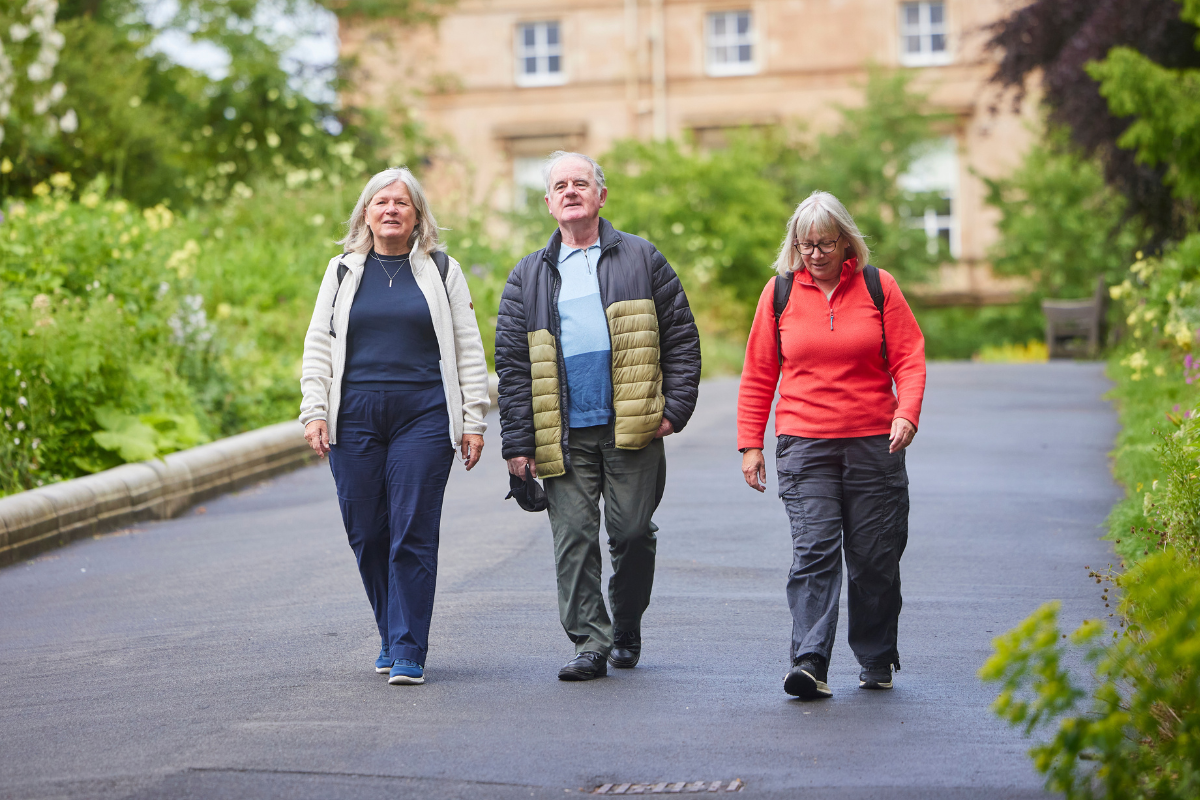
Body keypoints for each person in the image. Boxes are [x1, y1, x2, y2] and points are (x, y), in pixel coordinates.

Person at [495, 151, 701, 681]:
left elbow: (681, 335)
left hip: (630, 423)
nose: (570, 191)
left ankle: (625, 623)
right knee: (574, 537)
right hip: (559, 429)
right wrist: (518, 443)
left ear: (601, 196)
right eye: (560, 185)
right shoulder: (528, 276)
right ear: (547, 203)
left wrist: (674, 410)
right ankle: (591, 641)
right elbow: (513, 365)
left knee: (631, 532)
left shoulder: (641, 257)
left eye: (580, 183)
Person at [299, 167, 490, 686]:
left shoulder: (442, 270)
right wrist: (314, 409)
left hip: (423, 415)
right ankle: (390, 628)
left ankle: (408, 647)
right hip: (355, 415)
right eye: (381, 202)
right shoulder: (341, 272)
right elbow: (319, 343)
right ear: (366, 213)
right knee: (366, 530)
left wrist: (473, 420)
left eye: (401, 204)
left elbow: (469, 349)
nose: (390, 210)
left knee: (412, 528)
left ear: (417, 216)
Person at [737, 191, 926, 699]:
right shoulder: (778, 294)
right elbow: (759, 372)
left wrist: (907, 413)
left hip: (874, 443)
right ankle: (809, 661)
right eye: (805, 245)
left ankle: (875, 655)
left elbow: (908, 357)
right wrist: (750, 444)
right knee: (815, 550)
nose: (814, 254)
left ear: (846, 242)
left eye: (824, 243)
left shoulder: (877, 287)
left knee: (873, 558)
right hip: (804, 444)